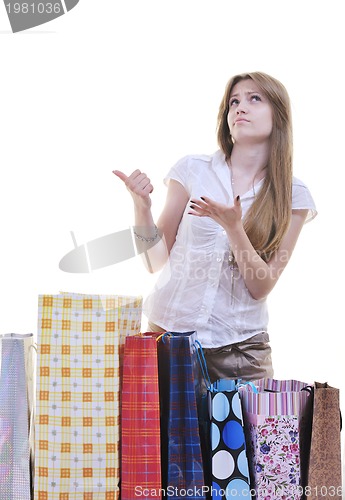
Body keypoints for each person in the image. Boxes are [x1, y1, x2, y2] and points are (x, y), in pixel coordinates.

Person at [114, 71, 317, 382]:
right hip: (168, 340)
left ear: (278, 115)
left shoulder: (293, 194)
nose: (240, 107)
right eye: (233, 101)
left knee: (241, 433)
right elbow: (154, 262)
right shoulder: (193, 170)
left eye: (254, 99)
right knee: (163, 433)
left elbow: (262, 286)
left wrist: (235, 229)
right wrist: (141, 208)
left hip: (242, 356)